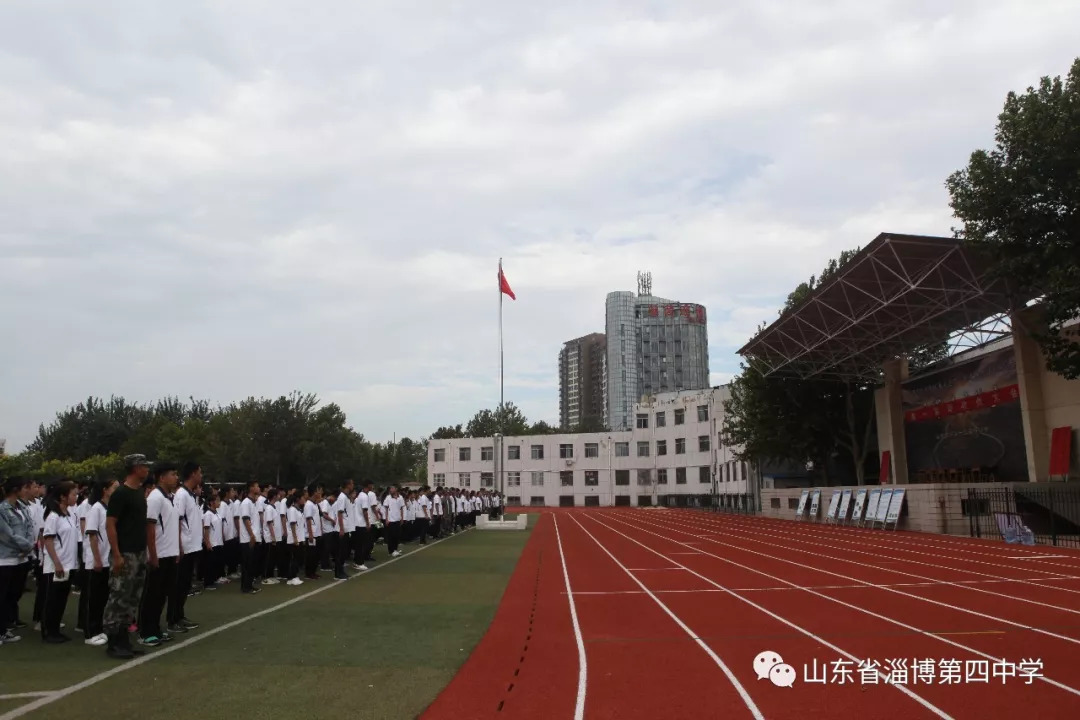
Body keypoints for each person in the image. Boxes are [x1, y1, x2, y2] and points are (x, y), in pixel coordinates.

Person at [102, 454, 152, 658]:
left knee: (132, 596)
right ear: (135, 468)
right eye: (144, 466)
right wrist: (116, 553)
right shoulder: (121, 493)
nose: (147, 470)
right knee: (119, 595)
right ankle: (114, 641)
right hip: (125, 553)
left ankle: (124, 639)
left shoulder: (139, 492)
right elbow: (110, 523)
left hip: (138, 552)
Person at [139, 462, 180, 647]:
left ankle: (155, 628)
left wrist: (177, 550)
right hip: (159, 554)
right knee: (152, 595)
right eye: (173, 474)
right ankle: (145, 631)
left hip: (169, 553)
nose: (176, 477)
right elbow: (149, 527)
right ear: (162, 477)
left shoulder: (170, 497)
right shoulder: (155, 498)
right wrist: (153, 554)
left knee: (162, 594)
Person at [79, 478, 117, 646]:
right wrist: (97, 559)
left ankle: (101, 628)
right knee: (93, 598)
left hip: (108, 560)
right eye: (114, 487)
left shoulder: (110, 508)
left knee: (103, 597)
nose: (117, 490)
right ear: (105, 490)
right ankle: (90, 632)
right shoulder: (96, 509)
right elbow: (92, 535)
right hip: (96, 560)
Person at [40, 480, 79, 643]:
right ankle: (48, 631)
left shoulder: (69, 515)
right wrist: (56, 562)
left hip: (69, 564)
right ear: (63, 497)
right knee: (52, 599)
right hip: (56, 565)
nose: (76, 497)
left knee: (62, 599)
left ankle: (55, 629)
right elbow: (48, 540)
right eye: (73, 494)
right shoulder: (53, 516)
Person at [0, 477, 34, 644]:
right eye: (24, 487)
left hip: (21, 558)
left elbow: (29, 527)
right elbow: (6, 534)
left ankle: (5, 626)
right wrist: (25, 546)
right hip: (5, 558)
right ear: (16, 490)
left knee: (14, 593)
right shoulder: (2, 509)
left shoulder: (22, 507)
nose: (27, 490)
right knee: (3, 595)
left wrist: (28, 546)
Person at [170, 462, 203, 634]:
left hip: (193, 546)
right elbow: (177, 520)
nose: (201, 475)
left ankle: (180, 616)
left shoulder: (191, 495)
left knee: (185, 585)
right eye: (199, 472)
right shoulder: (181, 495)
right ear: (192, 474)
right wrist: (179, 545)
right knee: (179, 585)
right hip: (185, 546)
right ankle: (173, 619)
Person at [238, 481, 261, 595]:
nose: (258, 488)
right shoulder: (246, 503)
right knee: (247, 564)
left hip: (253, 537)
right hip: (247, 538)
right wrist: (251, 535)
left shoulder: (253, 503)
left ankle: (249, 585)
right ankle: (245, 587)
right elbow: (245, 519)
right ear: (251, 488)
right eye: (256, 486)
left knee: (252, 564)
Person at [201, 491, 224, 590]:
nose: (219, 502)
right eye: (217, 500)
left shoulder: (217, 514)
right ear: (211, 502)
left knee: (216, 563)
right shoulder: (208, 514)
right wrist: (207, 542)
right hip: (212, 543)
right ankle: (207, 583)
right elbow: (206, 529)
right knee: (209, 564)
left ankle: (213, 579)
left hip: (218, 542)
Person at [286, 488, 308, 586]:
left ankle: (293, 576)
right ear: (298, 499)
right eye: (303, 497)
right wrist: (295, 538)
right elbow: (293, 524)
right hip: (294, 538)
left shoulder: (299, 510)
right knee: (295, 558)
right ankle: (291, 577)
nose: (304, 499)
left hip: (300, 537)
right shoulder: (292, 510)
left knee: (299, 558)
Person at [303, 484, 323, 580]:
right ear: (314, 493)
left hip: (317, 533)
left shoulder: (315, 504)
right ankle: (309, 573)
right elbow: (308, 520)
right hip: (312, 534)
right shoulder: (308, 505)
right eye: (318, 491)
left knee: (316, 554)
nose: (319, 493)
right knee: (311, 554)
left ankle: (313, 571)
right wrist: (310, 534)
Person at [382, 486, 405, 558]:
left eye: (392, 489)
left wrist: (402, 518)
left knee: (397, 536)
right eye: (390, 489)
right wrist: (386, 519)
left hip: (397, 519)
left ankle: (395, 549)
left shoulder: (400, 498)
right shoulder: (388, 498)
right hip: (390, 520)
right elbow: (385, 508)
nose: (391, 490)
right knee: (391, 536)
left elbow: (401, 508)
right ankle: (391, 551)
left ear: (396, 489)